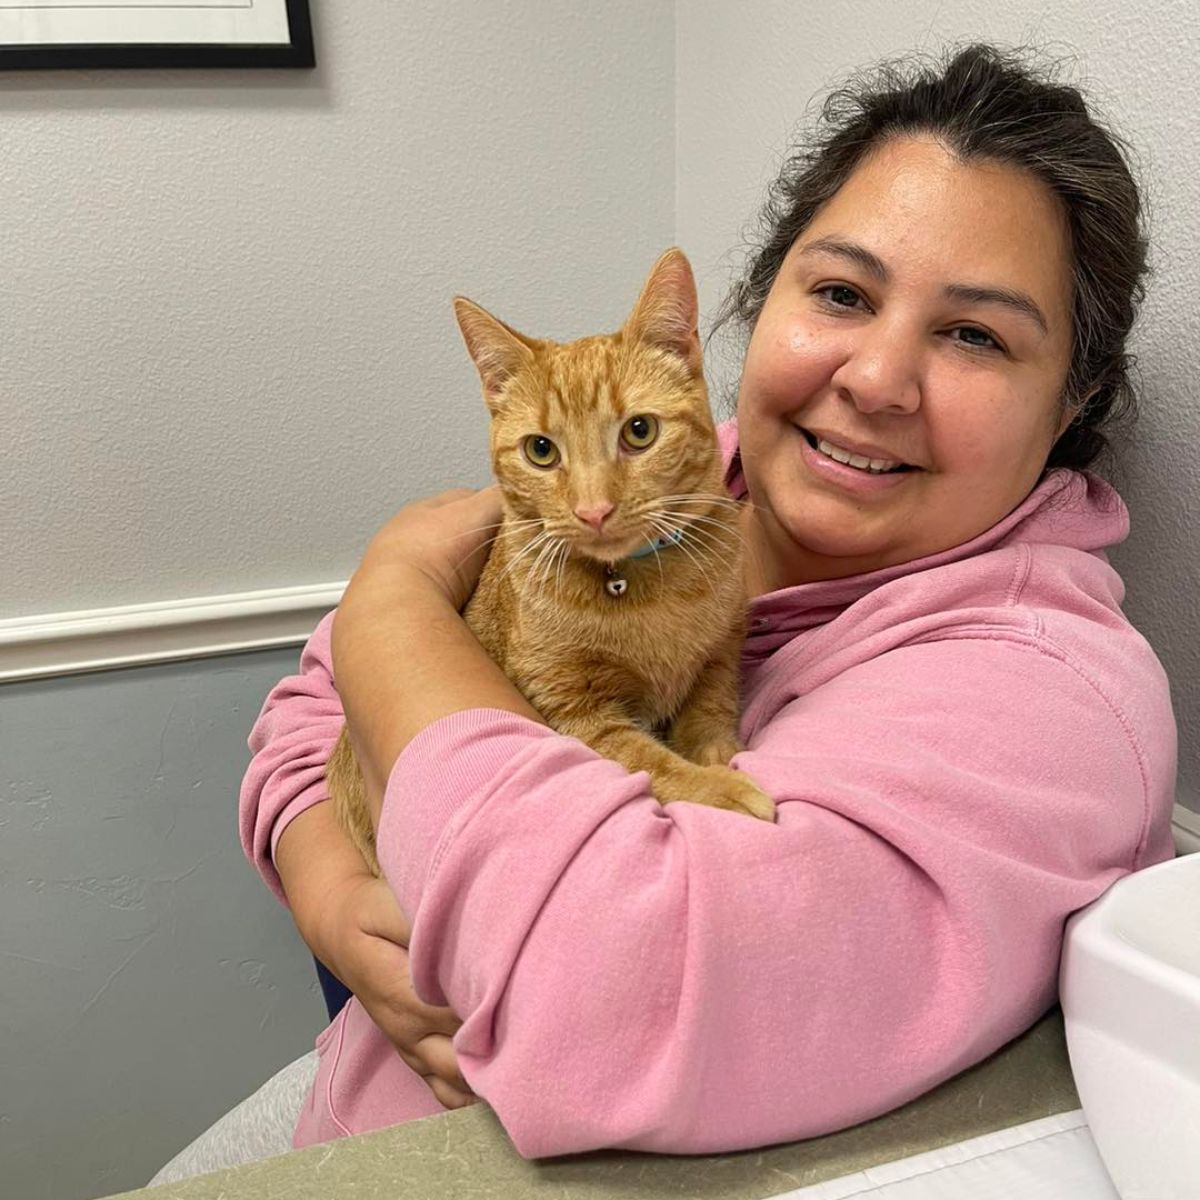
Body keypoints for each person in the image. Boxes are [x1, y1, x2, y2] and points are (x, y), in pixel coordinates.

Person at [150, 42, 1177, 1184]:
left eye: (976, 333)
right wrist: (331, 889)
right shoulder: (696, 475)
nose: (878, 380)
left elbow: (602, 980)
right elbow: (315, 707)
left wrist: (391, 602)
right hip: (358, 1077)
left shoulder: (1050, 702)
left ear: (1074, 394)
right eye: (841, 292)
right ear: (758, 302)